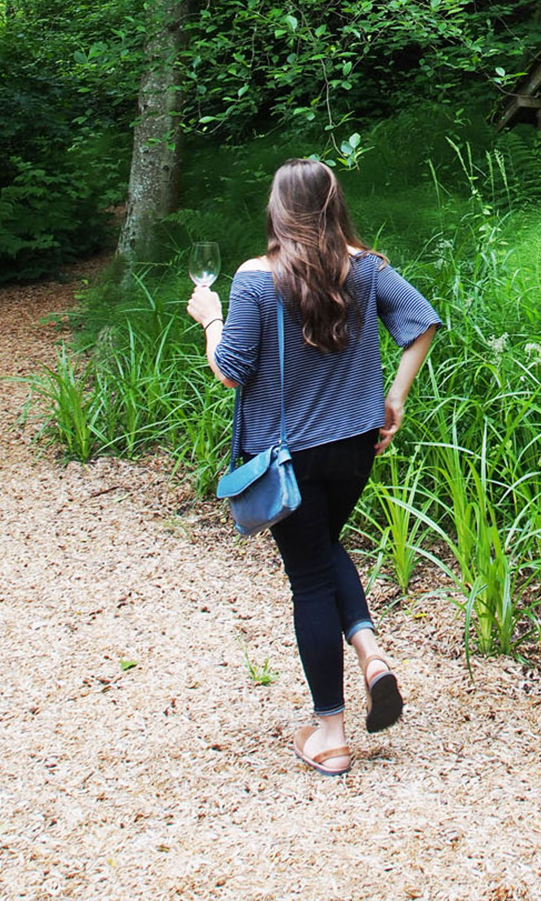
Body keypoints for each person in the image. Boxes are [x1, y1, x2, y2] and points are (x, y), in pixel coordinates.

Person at [187, 157, 440, 777]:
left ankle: (330, 732)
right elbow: (424, 323)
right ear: (333, 204)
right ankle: (371, 652)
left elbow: (230, 371)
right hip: (356, 446)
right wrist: (395, 398)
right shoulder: (368, 268)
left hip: (286, 457)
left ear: (279, 208)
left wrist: (209, 318)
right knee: (327, 551)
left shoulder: (254, 278)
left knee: (309, 577)